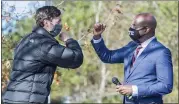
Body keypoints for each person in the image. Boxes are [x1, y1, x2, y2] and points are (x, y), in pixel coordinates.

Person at [3, 6, 83, 104]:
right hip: (28, 100)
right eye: (58, 22)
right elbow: (75, 59)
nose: (60, 25)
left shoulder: (26, 39)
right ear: (46, 22)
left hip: (13, 98)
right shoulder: (43, 44)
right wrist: (69, 40)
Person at [91, 13, 173, 104]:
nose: (131, 28)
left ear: (146, 29)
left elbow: (166, 86)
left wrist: (134, 90)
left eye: (134, 26)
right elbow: (108, 57)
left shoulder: (161, 52)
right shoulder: (131, 46)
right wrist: (97, 37)